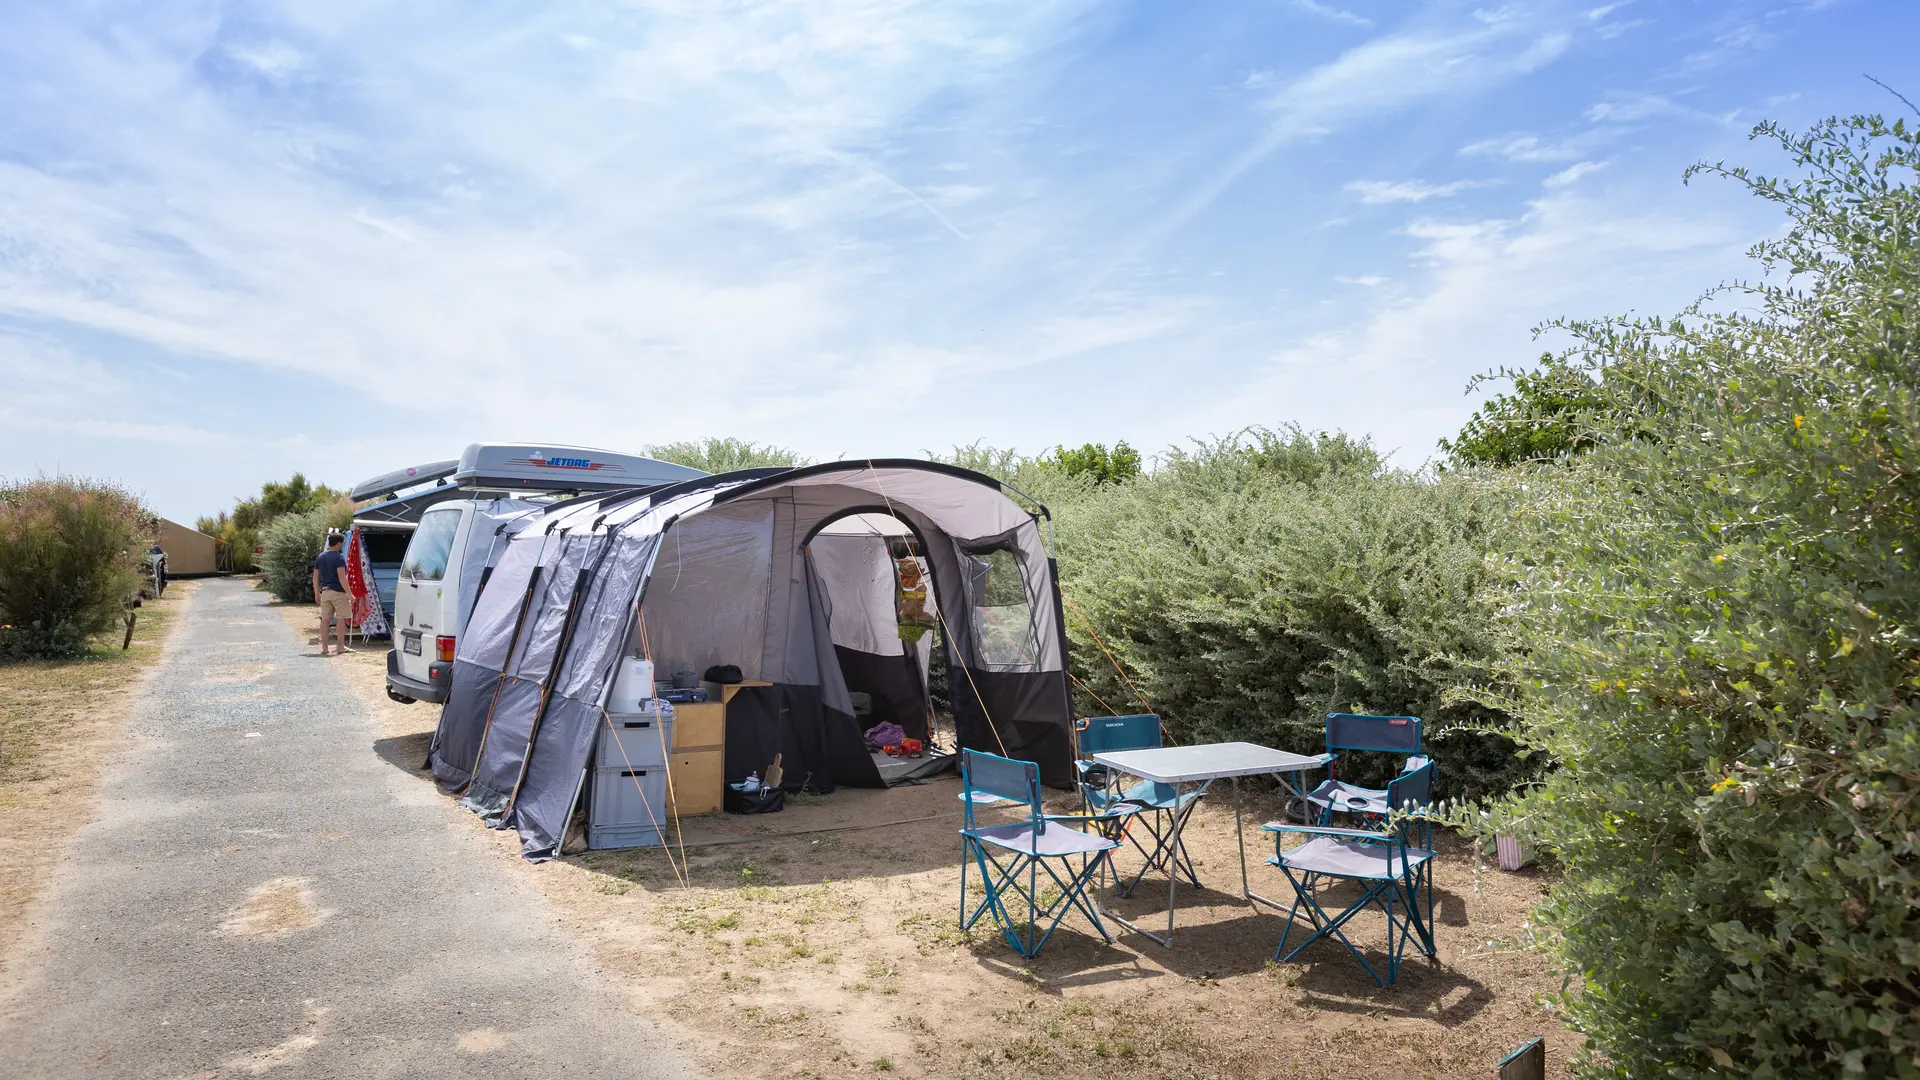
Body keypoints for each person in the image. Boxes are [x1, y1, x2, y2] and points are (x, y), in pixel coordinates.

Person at [312, 533, 353, 656]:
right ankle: (340, 646)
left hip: (324, 591)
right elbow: (342, 577)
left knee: (325, 620)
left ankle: (324, 647)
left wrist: (316, 593)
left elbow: (315, 577)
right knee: (341, 618)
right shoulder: (339, 557)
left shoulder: (320, 557)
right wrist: (350, 593)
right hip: (338, 592)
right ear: (339, 543)